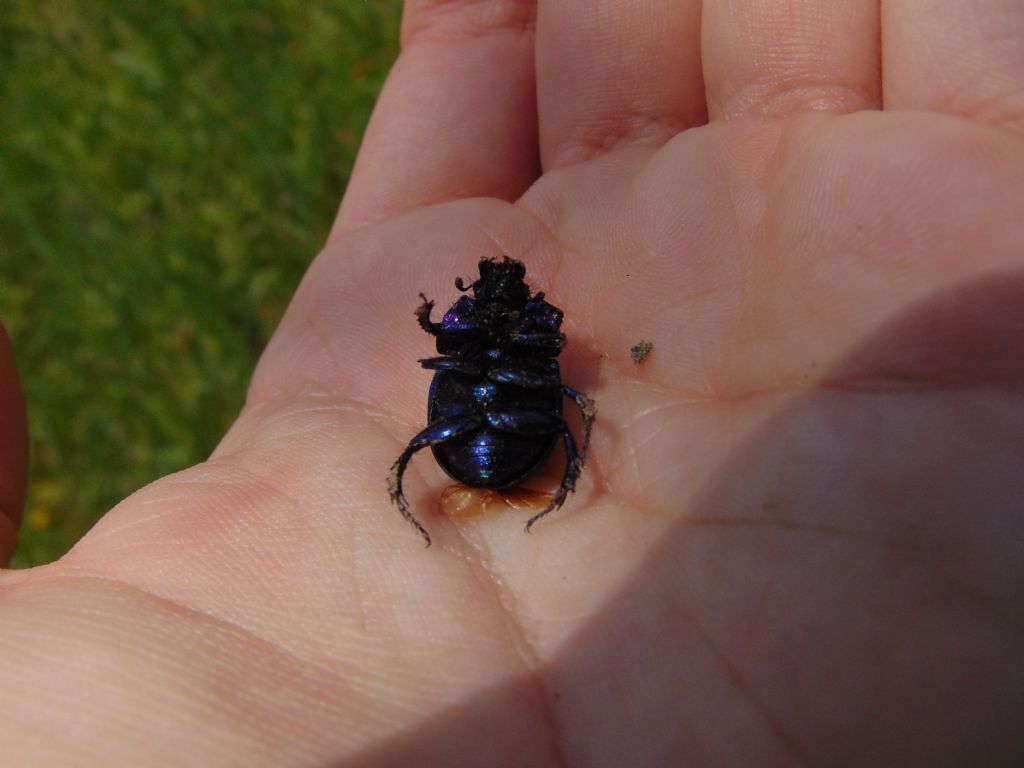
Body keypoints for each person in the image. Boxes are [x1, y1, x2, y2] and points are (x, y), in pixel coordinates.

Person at [2, 1, 1022, 764]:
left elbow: (460, 350)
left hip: (484, 425)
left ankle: (493, 481)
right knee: (545, 419)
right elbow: (477, 353)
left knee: (534, 417)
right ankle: (495, 485)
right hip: (504, 423)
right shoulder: (521, 344)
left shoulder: (493, 341)